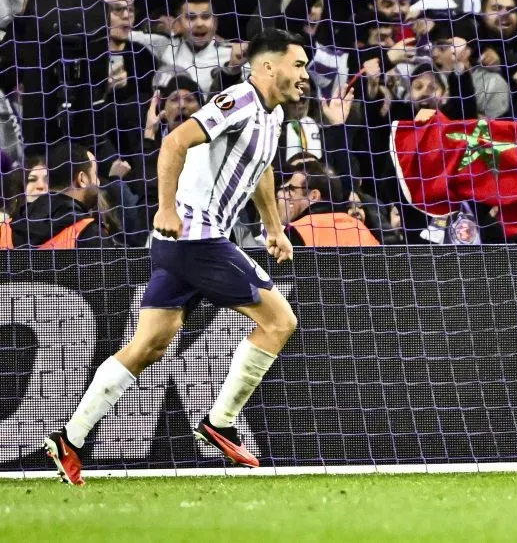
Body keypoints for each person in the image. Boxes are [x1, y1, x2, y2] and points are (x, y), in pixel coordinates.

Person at [43, 29, 308, 486]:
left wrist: (273, 228)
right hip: (196, 238)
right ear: (269, 67)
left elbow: (261, 167)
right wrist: (166, 207)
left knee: (149, 344)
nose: (305, 75)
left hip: (183, 244)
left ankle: (71, 437)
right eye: (299, 65)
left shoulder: (274, 116)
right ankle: (220, 422)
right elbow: (174, 143)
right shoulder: (238, 100)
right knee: (279, 322)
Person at [10, 143, 106, 248]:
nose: (98, 182)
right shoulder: (90, 235)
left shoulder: (6, 228)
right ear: (82, 179)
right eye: (95, 174)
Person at [278, 160, 379, 247]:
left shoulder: (295, 231)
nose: (287, 195)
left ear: (314, 196)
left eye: (292, 189)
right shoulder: (361, 229)